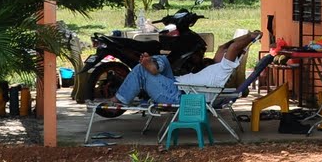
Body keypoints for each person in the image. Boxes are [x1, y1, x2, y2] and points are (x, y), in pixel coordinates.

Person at [98, 29, 261, 115]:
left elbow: (233, 48)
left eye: (225, 53)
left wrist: (250, 37)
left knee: (142, 70)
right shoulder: (219, 64)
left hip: (181, 96)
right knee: (162, 59)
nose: (220, 52)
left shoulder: (225, 66)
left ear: (229, 57)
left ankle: (119, 99)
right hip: (177, 85)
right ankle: (154, 64)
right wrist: (247, 37)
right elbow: (224, 47)